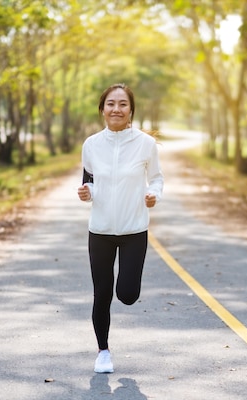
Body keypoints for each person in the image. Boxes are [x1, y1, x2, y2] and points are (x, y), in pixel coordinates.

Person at [77, 83, 164, 374]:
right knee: (102, 293)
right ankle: (103, 352)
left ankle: (125, 292)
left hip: (133, 231)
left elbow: (157, 179)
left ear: (131, 110)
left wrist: (154, 195)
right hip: (100, 230)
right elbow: (88, 178)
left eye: (123, 104)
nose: (116, 109)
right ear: (102, 109)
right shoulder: (91, 145)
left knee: (126, 294)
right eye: (111, 104)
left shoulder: (144, 144)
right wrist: (86, 191)